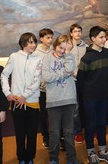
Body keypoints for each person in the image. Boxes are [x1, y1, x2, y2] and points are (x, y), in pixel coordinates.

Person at [77, 26, 108, 164]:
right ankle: (90, 152)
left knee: (102, 123)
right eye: (101, 37)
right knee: (90, 124)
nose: (104, 39)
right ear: (93, 39)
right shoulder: (86, 58)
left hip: (103, 95)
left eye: (104, 37)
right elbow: (81, 80)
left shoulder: (107, 53)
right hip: (89, 97)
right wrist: (85, 96)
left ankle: (102, 150)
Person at [1, 32, 42, 164]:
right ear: (23, 43)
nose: (33, 45)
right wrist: (8, 93)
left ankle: (30, 158)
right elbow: (4, 75)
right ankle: (21, 158)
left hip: (32, 102)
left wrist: (25, 96)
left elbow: (36, 81)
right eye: (30, 42)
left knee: (31, 133)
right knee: (19, 133)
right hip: (16, 102)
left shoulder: (38, 59)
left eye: (34, 42)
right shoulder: (14, 57)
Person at [42, 35, 79, 164]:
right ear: (55, 45)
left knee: (69, 132)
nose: (62, 51)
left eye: (65, 48)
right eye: (60, 47)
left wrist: (68, 54)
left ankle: (72, 159)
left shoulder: (69, 57)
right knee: (54, 133)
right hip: (53, 101)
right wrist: (64, 73)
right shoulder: (47, 58)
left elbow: (70, 69)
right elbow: (46, 77)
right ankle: (53, 159)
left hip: (69, 99)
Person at [32, 28, 54, 149]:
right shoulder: (35, 52)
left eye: (51, 37)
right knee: (43, 114)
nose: (50, 40)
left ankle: (55, 137)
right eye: (47, 38)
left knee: (53, 114)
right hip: (41, 90)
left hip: (53, 88)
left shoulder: (54, 50)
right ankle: (45, 137)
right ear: (41, 39)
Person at [68, 23, 88, 144]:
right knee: (75, 108)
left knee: (87, 105)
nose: (77, 33)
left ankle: (90, 129)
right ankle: (78, 132)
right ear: (71, 33)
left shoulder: (86, 46)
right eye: (75, 31)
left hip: (85, 81)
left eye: (79, 31)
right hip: (72, 81)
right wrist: (73, 73)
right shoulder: (68, 46)